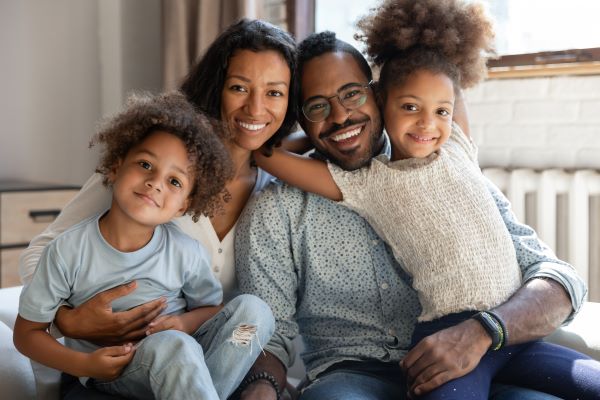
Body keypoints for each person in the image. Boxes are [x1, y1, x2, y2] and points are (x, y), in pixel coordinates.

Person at [252, 1, 600, 398]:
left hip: (492, 345)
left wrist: (484, 331)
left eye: (352, 94)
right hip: (359, 373)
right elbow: (269, 330)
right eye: (317, 106)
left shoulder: (454, 160)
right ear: (299, 114)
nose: (341, 115)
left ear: (376, 94)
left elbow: (558, 275)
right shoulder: (310, 200)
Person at [17, 19, 296, 400]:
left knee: (251, 313)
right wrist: (72, 321)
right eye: (238, 87)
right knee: (171, 352)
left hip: (205, 359)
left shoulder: (278, 195)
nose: (256, 107)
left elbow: (240, 319)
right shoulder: (145, 168)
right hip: (117, 363)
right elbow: (41, 253)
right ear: (217, 88)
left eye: (275, 93)